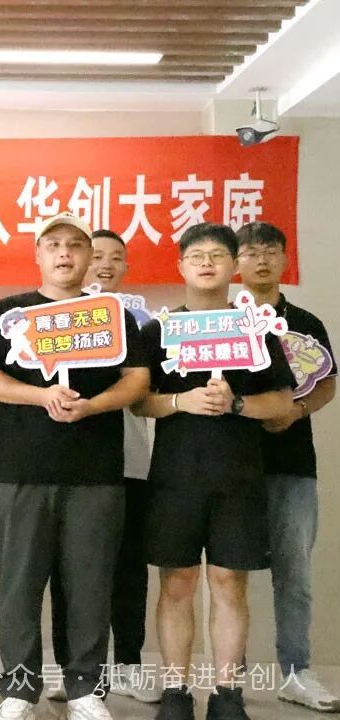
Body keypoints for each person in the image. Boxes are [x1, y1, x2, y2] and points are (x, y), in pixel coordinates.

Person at [0, 212, 149, 720]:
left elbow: (137, 380)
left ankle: (85, 689)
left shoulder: (110, 314)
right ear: (38, 254)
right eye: (53, 245)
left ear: (90, 256)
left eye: (75, 244)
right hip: (21, 471)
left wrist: (92, 406)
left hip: (96, 473)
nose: (65, 253)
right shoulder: (8, 313)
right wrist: (40, 395)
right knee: (18, 587)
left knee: (90, 586)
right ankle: (19, 689)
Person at [132, 222, 295, 720]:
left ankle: (227, 695)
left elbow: (283, 402)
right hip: (175, 478)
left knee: (229, 583)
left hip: (239, 478)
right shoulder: (158, 331)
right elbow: (138, 401)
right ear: (180, 266)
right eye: (196, 255)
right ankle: (176, 693)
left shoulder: (256, 328)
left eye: (218, 255)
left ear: (234, 266)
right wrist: (180, 401)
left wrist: (237, 403)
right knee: (176, 584)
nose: (207, 263)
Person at [49, 229, 161, 705]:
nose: (105, 265)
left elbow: (144, 390)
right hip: (72, 463)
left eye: (117, 258)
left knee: (128, 569)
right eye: (97, 256)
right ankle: (72, 670)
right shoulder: (52, 320)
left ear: (127, 267)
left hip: (130, 462)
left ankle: (129, 664)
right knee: (67, 573)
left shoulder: (140, 323)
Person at [235, 221, 339, 712]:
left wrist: (294, 411)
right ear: (236, 262)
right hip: (230, 465)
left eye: (271, 252)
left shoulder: (305, 322)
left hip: (292, 463)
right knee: (227, 574)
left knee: (294, 573)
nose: (261, 260)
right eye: (252, 252)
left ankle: (296, 672)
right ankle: (227, 677)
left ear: (283, 259)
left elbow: (327, 382)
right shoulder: (221, 319)